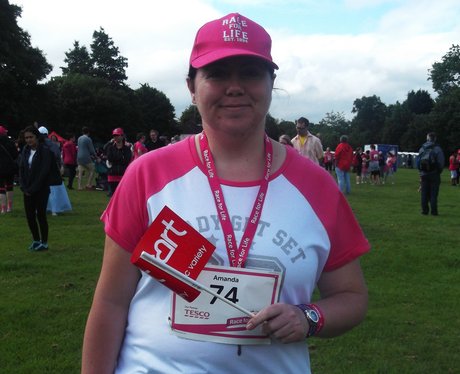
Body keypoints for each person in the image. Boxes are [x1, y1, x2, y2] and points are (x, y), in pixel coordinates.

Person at [82, 13, 369, 374]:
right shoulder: (148, 175)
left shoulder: (317, 187)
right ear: (191, 86)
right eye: (216, 73)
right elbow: (110, 303)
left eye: (250, 72)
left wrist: (309, 316)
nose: (235, 87)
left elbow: (352, 297)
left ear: (270, 83)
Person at [18, 126, 52, 251]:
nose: (28, 140)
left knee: (41, 215)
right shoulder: (25, 151)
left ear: (37, 137)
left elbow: (44, 172)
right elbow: (21, 169)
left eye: (31, 137)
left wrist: (33, 188)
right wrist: (23, 186)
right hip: (27, 190)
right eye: (26, 138)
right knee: (29, 215)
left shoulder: (45, 151)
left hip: (41, 189)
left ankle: (44, 242)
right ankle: (36, 240)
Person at [417, 132, 444, 216]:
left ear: (427, 138)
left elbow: (418, 162)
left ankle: (424, 211)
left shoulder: (422, 148)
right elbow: (441, 162)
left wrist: (421, 172)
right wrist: (438, 171)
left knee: (424, 193)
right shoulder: (437, 149)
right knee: (433, 194)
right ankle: (434, 211)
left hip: (424, 174)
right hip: (434, 174)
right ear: (435, 139)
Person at [104, 128, 132, 197]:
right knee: (113, 196)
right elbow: (110, 158)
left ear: (122, 136)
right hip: (112, 175)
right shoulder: (110, 147)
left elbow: (126, 160)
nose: (115, 137)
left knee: (123, 196)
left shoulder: (127, 149)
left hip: (123, 175)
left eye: (117, 135)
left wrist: (116, 159)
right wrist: (121, 158)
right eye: (114, 136)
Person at [0, 125, 19, 213]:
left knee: (1, 188)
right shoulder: (10, 142)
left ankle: (3, 209)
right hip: (10, 167)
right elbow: (16, 154)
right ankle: (9, 207)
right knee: (10, 186)